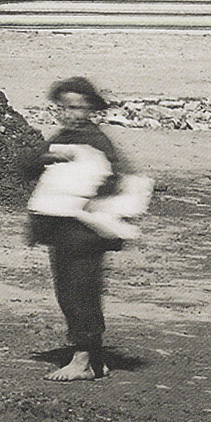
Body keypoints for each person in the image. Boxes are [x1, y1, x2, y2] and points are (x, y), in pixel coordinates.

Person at [22, 76, 133, 381]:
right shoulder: (63, 137)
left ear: (90, 109)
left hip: (84, 230)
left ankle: (82, 359)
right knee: (70, 291)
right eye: (64, 107)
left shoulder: (95, 140)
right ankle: (95, 360)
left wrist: (87, 194)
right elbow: (26, 166)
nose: (70, 113)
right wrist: (49, 157)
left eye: (77, 107)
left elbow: (114, 181)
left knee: (80, 292)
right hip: (63, 228)